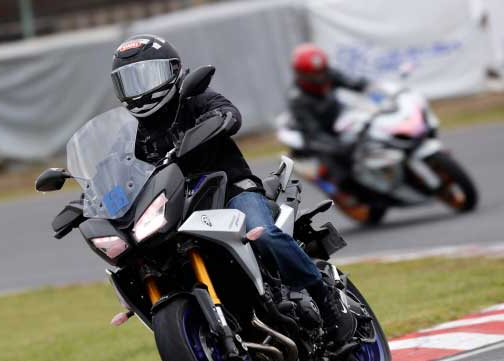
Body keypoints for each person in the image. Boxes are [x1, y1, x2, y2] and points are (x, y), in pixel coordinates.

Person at [111, 34, 354, 344]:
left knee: (263, 234)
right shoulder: (134, 133)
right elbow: (114, 168)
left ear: (172, 70)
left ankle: (324, 298)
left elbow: (228, 113)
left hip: (232, 192)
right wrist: (91, 193)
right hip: (179, 209)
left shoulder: (195, 99)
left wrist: (218, 120)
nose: (140, 89)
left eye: (147, 76)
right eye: (130, 81)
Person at [288, 44, 371, 219]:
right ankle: (346, 192)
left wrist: (371, 86)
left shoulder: (328, 75)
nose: (319, 78)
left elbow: (354, 84)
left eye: (321, 72)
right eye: (313, 75)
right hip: (316, 135)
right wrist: (337, 146)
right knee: (338, 157)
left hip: (339, 121)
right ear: (302, 75)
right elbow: (313, 133)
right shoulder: (298, 99)